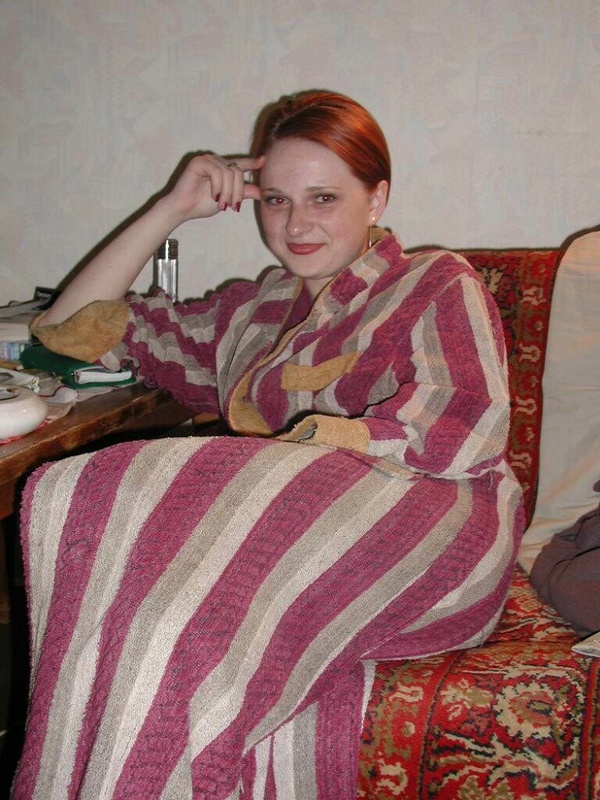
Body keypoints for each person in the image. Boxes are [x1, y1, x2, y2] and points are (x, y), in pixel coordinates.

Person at [12, 90, 524, 800]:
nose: (296, 224)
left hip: (434, 526)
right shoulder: (250, 314)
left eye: (324, 198)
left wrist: (295, 452)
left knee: (113, 482)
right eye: (277, 200)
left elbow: (463, 428)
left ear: (377, 197)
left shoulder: (433, 281)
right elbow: (66, 334)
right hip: (280, 551)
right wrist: (170, 207)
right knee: (153, 617)